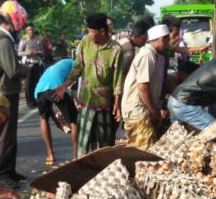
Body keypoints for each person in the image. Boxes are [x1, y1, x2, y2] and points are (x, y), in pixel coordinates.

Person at [54, 13, 123, 156]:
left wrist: (117, 102)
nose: (89, 34)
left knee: (103, 144)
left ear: (102, 31)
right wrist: (64, 86)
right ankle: (83, 169)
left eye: (92, 31)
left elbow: (118, 79)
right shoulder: (85, 42)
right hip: (85, 101)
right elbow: (77, 68)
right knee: (84, 142)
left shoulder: (116, 50)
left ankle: (103, 172)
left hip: (104, 104)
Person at [0, 0, 29, 188]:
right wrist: (28, 68)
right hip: (5, 93)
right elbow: (13, 71)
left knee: (10, 134)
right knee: (6, 134)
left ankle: (9, 170)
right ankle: (3, 172)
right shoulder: (3, 41)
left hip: (5, 92)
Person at [121, 24, 170, 151]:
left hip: (141, 110)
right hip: (138, 110)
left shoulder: (153, 54)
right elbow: (143, 87)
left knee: (137, 151)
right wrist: (153, 112)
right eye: (167, 40)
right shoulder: (147, 55)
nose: (168, 44)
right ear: (162, 39)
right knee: (145, 153)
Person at [34, 59, 78, 163]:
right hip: (57, 87)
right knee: (74, 120)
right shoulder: (76, 64)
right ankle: (77, 156)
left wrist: (59, 123)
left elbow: (51, 112)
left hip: (39, 91)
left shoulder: (60, 65)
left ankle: (50, 155)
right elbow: (77, 84)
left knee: (43, 119)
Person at [19, 24, 44, 108]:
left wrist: (38, 53)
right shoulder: (24, 40)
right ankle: (29, 102)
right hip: (27, 64)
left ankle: (35, 100)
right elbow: (19, 52)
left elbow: (42, 52)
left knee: (36, 83)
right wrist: (27, 53)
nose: (31, 31)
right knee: (28, 84)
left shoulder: (38, 40)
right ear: (26, 31)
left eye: (32, 29)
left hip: (36, 63)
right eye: (29, 30)